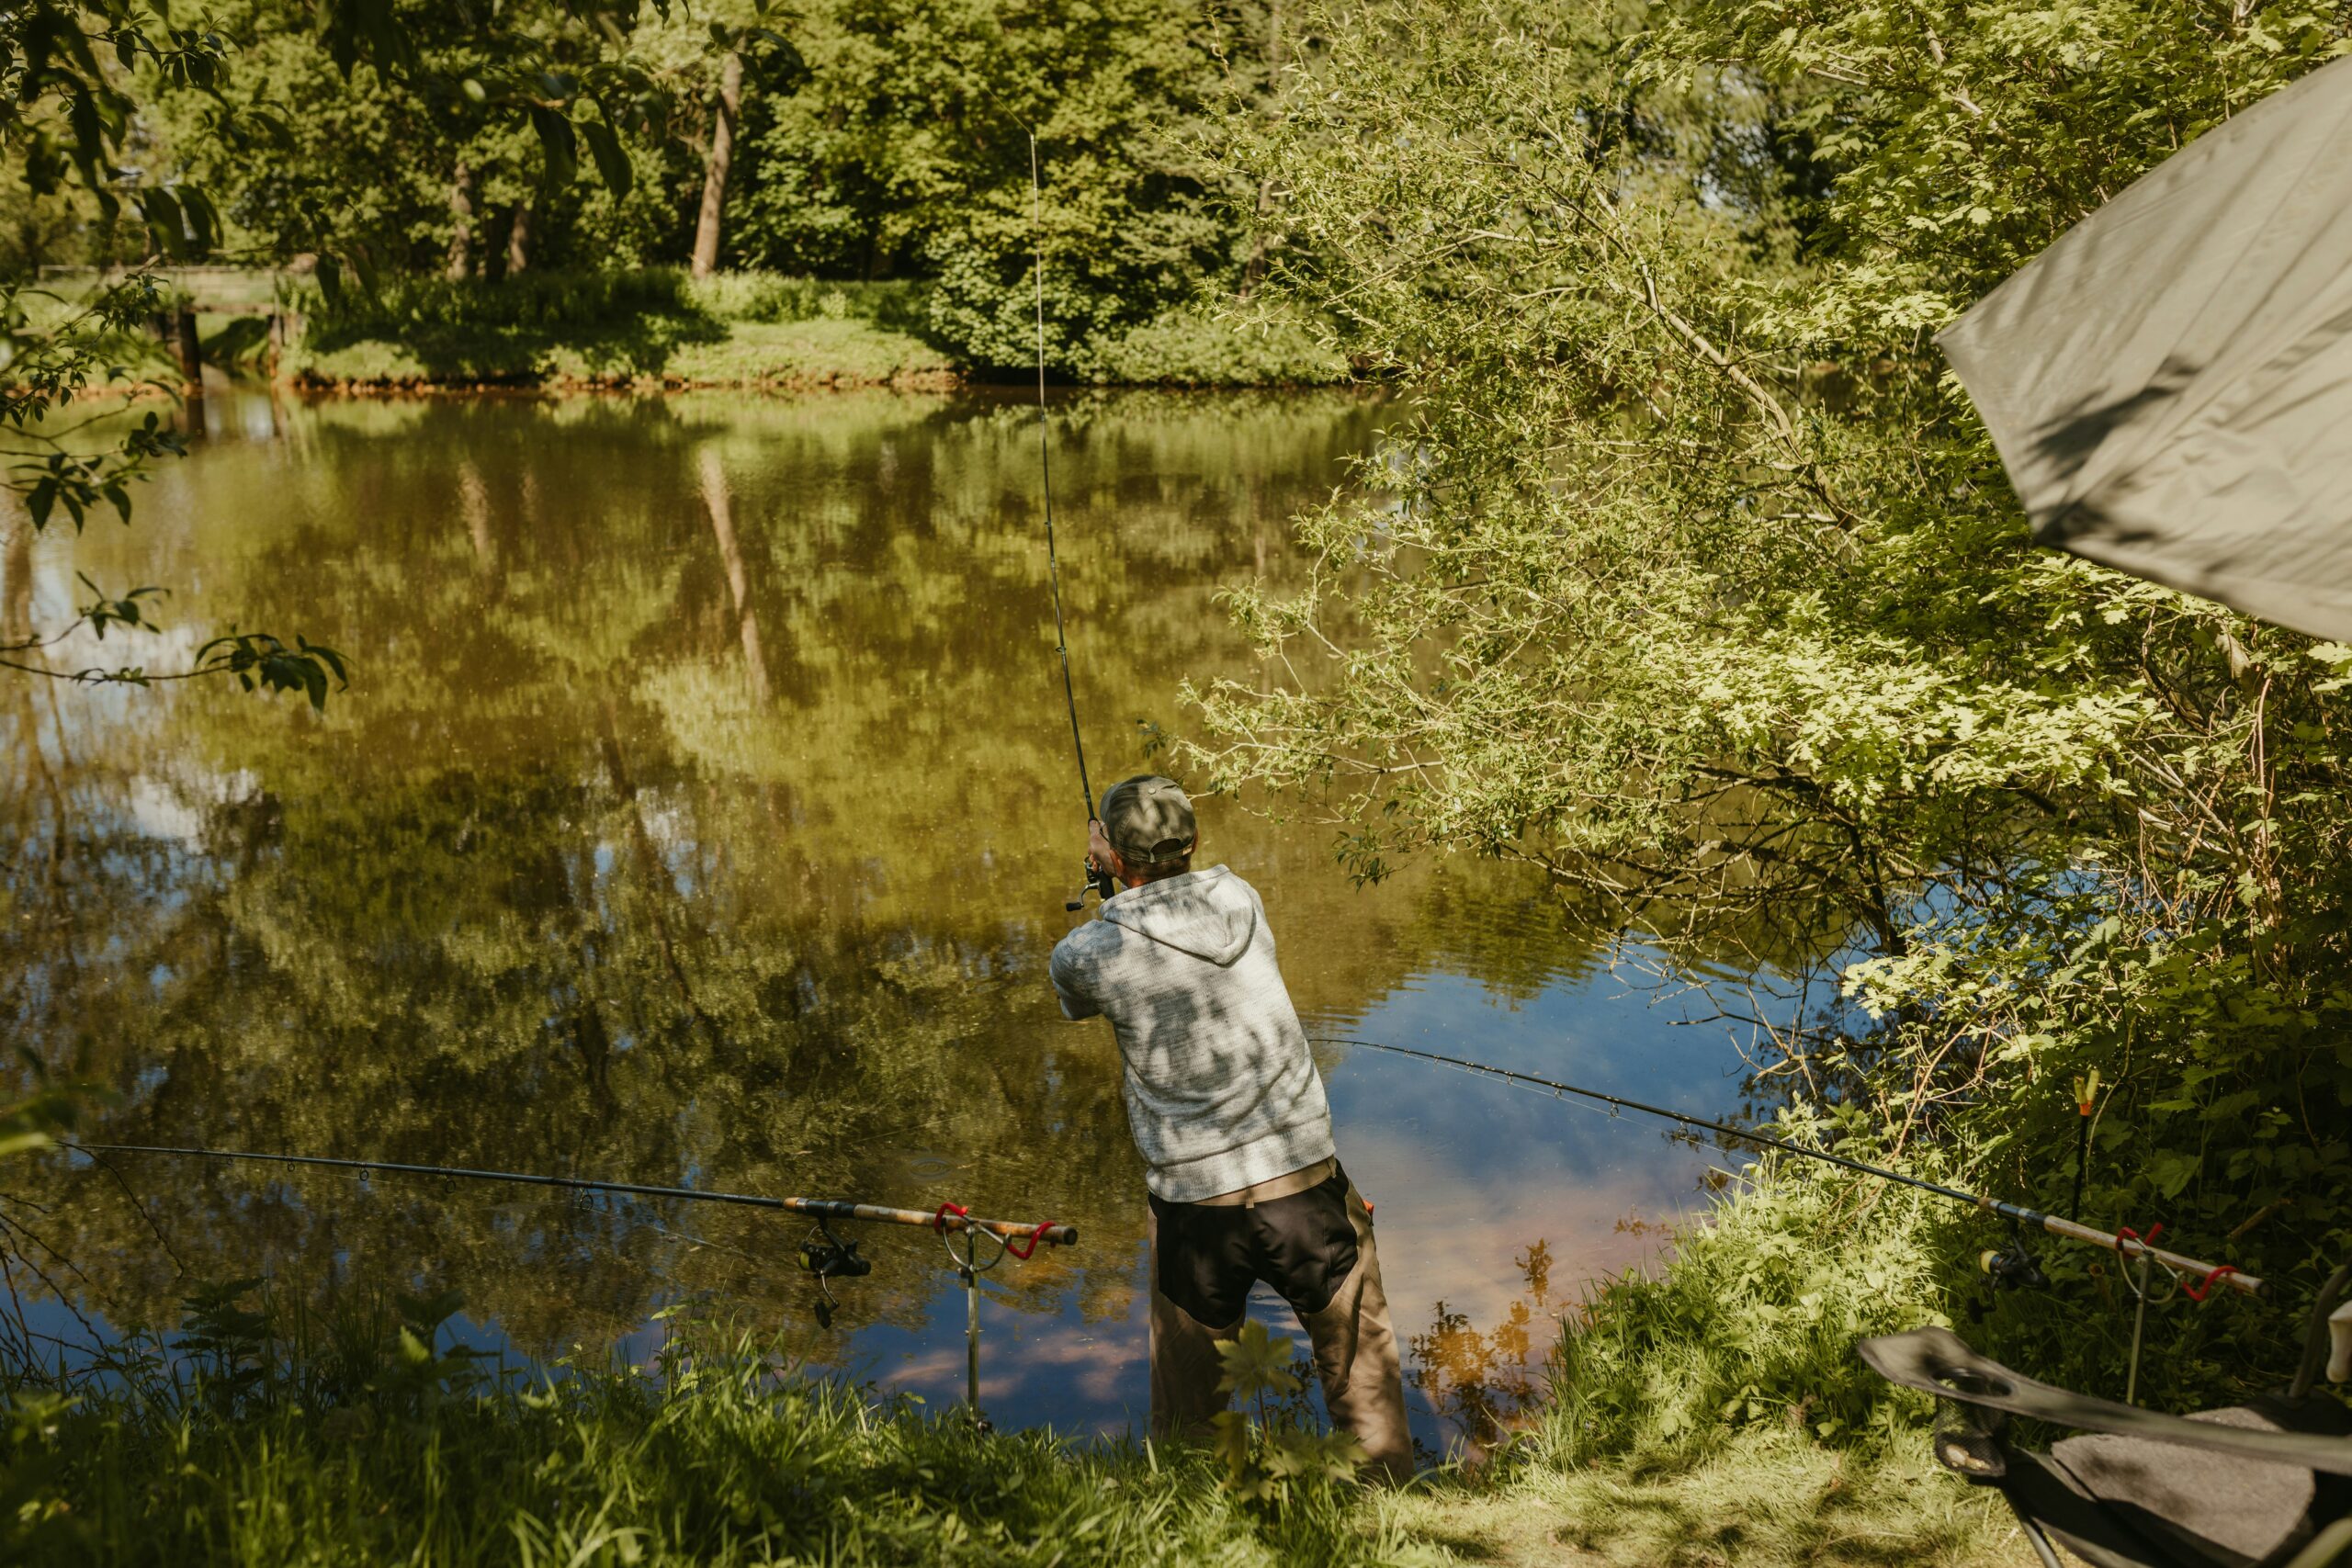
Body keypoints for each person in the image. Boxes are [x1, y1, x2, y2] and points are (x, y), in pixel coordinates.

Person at [1048, 773, 1412, 1481]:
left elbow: (1076, 996)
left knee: (1192, 1404)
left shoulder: (1088, 953)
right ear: (1194, 842)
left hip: (1194, 1204)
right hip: (1303, 1180)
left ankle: (1202, 1514)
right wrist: (1126, 873)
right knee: (1361, 1368)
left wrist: (1107, 881)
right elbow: (1175, 906)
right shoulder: (1240, 899)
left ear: (1114, 857)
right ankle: (1391, 1502)